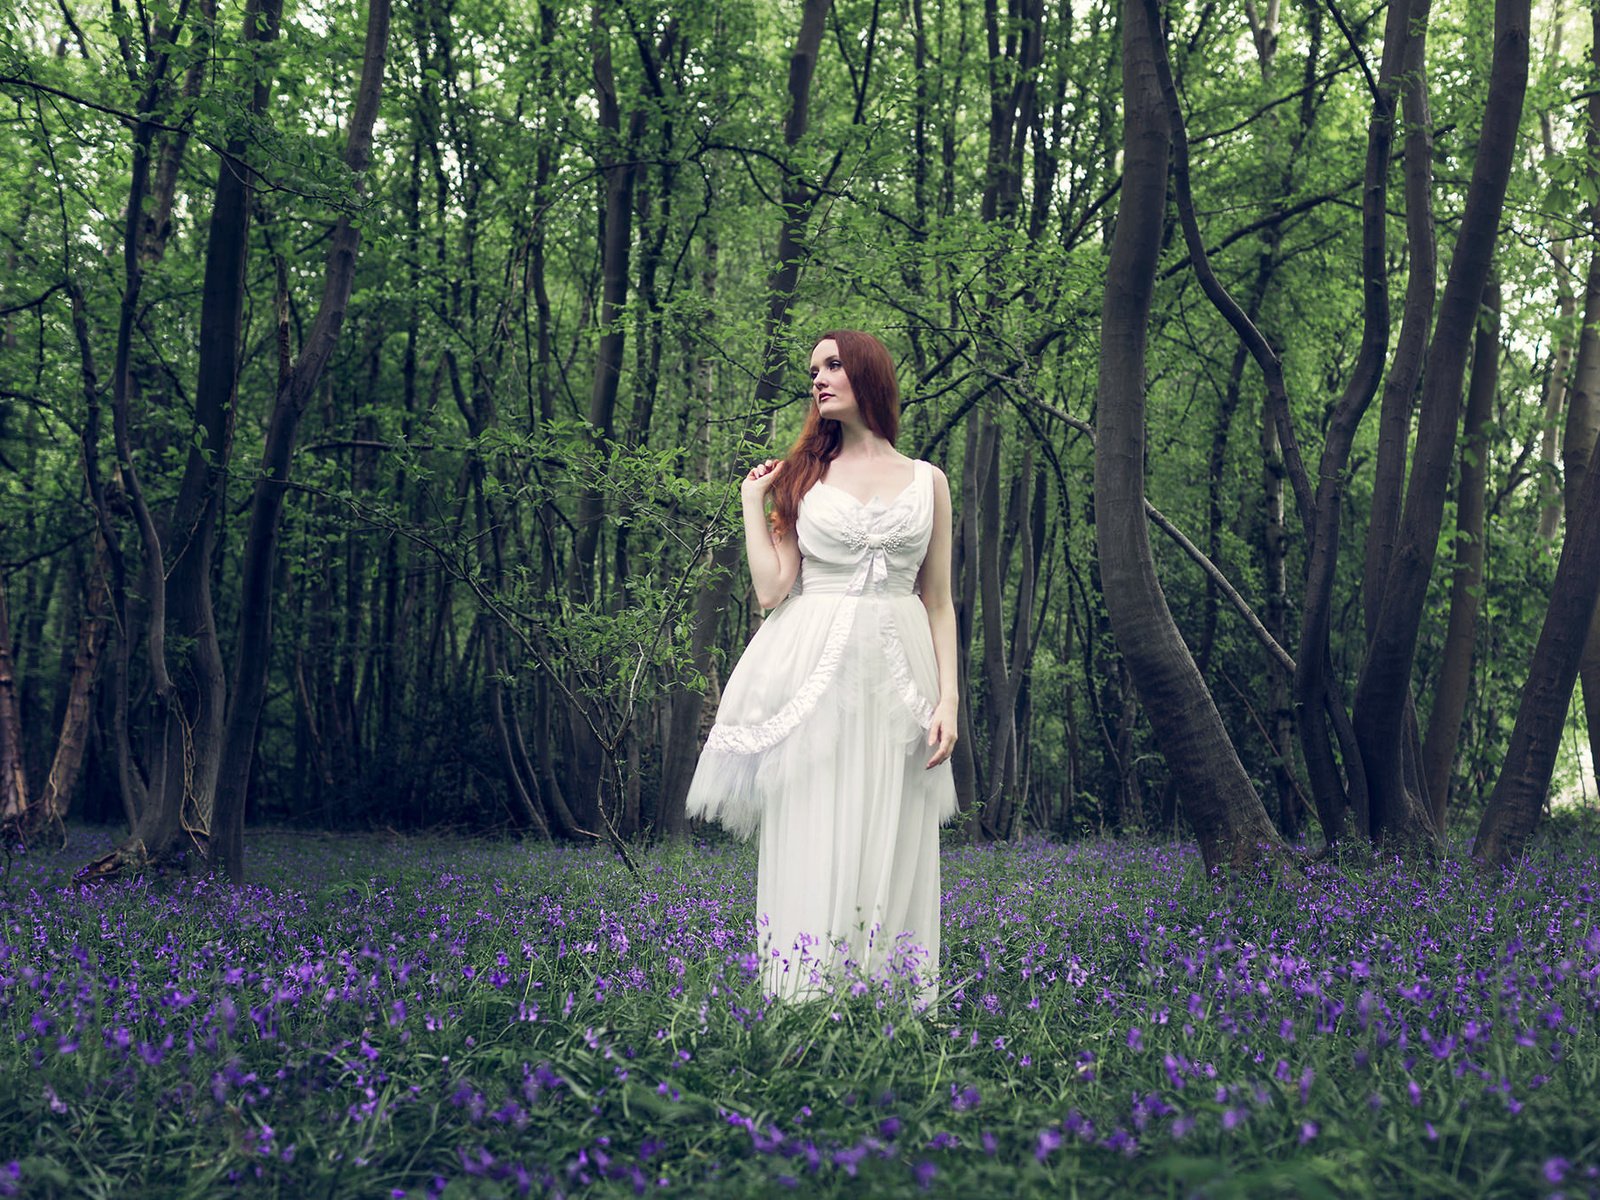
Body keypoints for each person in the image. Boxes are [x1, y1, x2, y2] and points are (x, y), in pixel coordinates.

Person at [686, 330, 959, 1006]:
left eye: (833, 365)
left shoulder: (930, 482)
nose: (819, 378)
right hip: (816, 670)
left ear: (868, 373)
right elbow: (773, 591)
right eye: (813, 370)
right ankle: (805, 999)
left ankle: (892, 999)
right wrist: (753, 505)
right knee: (814, 820)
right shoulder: (802, 476)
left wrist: (949, 700)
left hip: (902, 676)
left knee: (893, 829)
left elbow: (940, 601)